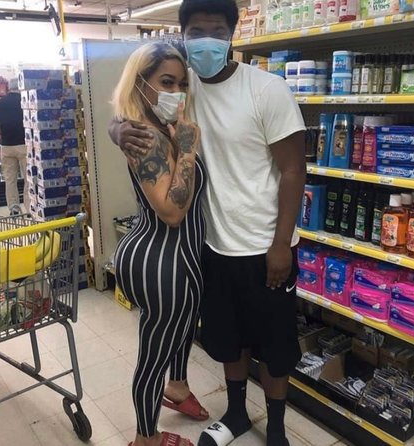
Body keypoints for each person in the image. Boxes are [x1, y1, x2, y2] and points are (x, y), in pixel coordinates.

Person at [109, 1, 307, 445]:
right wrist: (116, 130)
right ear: (183, 35)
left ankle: (276, 428)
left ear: (233, 34)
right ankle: (236, 414)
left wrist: (281, 243)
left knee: (275, 349)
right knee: (229, 342)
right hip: (213, 248)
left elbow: (294, 169)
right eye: (196, 32)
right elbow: (135, 98)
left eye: (217, 31)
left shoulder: (267, 89)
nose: (206, 42)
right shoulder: (184, 85)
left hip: (264, 246)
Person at [112, 42, 209, 446]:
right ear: (140, 84)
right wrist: (187, 149)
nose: (176, 92)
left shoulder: (147, 126)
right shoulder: (149, 137)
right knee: (154, 356)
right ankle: (146, 439)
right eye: (166, 82)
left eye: (182, 84)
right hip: (164, 261)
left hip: (168, 255)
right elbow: (172, 211)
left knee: (178, 329)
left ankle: (178, 387)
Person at [0, 78, 29, 215]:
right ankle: (29, 207)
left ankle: (13, 207)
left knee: (10, 179)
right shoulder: (25, 101)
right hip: (24, 145)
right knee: (28, 178)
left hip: (6, 146)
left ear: (8, 87)